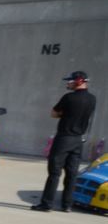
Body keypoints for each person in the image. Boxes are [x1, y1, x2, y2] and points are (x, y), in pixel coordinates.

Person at [32, 71, 97, 213]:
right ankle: (67, 205)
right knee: (72, 174)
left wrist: (65, 114)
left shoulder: (69, 98)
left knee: (54, 173)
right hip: (78, 140)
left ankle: (46, 204)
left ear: (79, 81)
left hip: (63, 138)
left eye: (71, 81)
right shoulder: (92, 99)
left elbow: (54, 113)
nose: (68, 83)